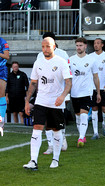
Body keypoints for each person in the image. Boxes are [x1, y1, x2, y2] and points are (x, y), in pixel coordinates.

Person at [23, 37, 72, 170]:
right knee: (36, 129)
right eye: (43, 46)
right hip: (41, 101)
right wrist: (27, 101)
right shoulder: (38, 63)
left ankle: (55, 159)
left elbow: (68, 82)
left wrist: (63, 96)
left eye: (48, 46)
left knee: (56, 130)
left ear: (54, 46)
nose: (45, 49)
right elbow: (33, 83)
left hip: (56, 103)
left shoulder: (61, 62)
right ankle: (33, 161)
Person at [37, 32, 69, 155]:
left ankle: (63, 136)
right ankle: (50, 145)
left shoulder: (63, 54)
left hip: (60, 92)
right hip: (45, 93)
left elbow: (67, 74)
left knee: (59, 116)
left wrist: (65, 93)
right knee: (46, 121)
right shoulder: (40, 55)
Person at [69, 37, 101, 147]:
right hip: (74, 93)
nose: (78, 47)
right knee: (78, 116)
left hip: (87, 92)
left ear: (85, 46)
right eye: (77, 45)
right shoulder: (71, 59)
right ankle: (82, 135)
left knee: (83, 115)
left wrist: (98, 92)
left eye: (80, 45)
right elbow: (67, 78)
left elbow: (96, 77)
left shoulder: (92, 60)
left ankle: (81, 138)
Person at [90, 38, 105, 139]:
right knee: (94, 108)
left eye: (98, 43)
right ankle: (95, 133)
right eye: (95, 43)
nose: (96, 45)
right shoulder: (90, 56)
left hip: (103, 87)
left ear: (102, 45)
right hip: (93, 88)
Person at [0, 37, 10, 136]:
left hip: (1, 69)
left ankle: (1, 122)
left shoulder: (2, 41)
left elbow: (7, 56)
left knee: (1, 95)